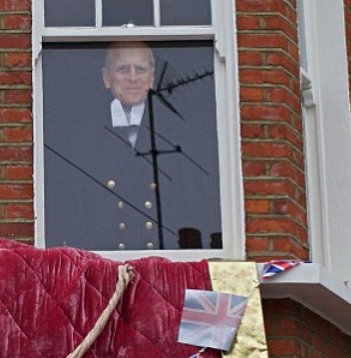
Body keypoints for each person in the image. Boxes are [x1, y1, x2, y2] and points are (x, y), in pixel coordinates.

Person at [43, 41, 222, 251]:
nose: (133, 77)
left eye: (141, 69)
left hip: (161, 259)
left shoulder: (177, 135)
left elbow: (194, 207)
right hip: (100, 259)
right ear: (106, 77)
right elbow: (67, 210)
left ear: (152, 77)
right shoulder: (80, 138)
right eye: (123, 69)